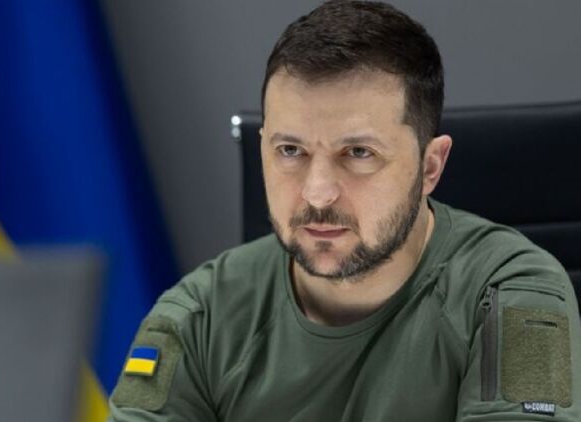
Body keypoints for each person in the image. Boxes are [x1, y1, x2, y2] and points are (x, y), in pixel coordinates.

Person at [107, 1, 581, 421]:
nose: (317, 194)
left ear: (430, 166)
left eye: (358, 153)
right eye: (290, 150)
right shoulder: (198, 316)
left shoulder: (512, 292)